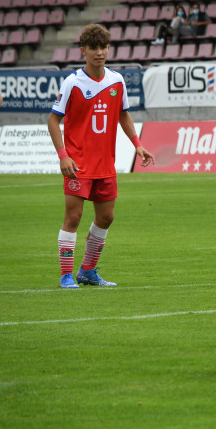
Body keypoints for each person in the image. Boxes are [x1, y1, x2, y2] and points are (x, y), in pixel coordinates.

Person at [47, 24, 155, 289]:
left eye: (103, 47)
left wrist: (137, 144)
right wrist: (63, 156)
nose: (99, 52)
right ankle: (66, 275)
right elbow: (53, 120)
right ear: (83, 50)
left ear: (108, 48)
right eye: (93, 47)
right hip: (78, 164)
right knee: (73, 218)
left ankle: (88, 271)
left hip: (105, 164)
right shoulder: (73, 82)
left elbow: (123, 114)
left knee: (106, 217)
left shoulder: (116, 81)